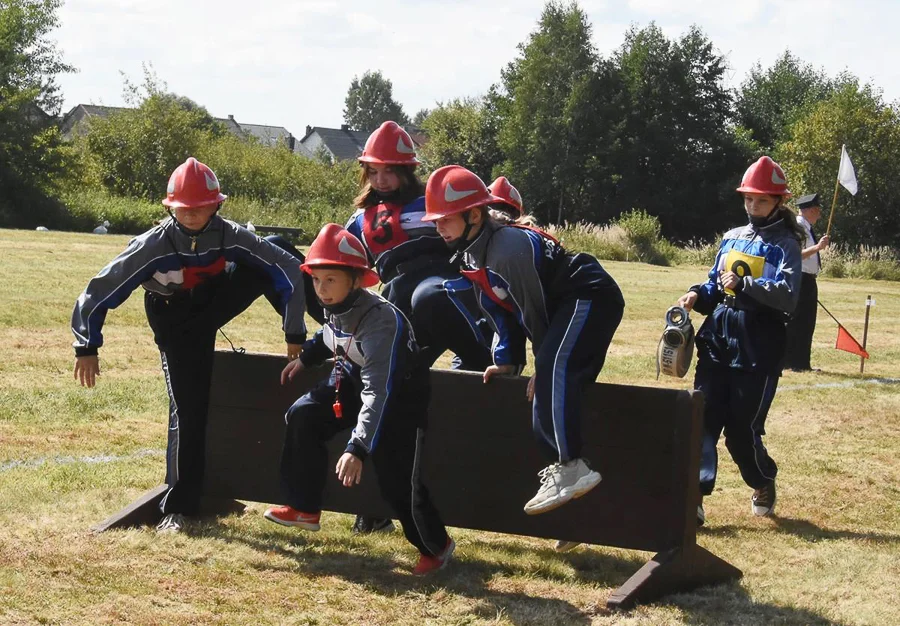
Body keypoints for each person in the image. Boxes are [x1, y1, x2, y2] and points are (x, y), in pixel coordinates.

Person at [72, 157, 313, 534]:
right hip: (174, 320)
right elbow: (100, 289)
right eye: (184, 209)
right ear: (171, 208)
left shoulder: (229, 233)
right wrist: (87, 345)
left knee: (279, 248)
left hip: (211, 301)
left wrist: (295, 334)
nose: (193, 214)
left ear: (217, 204)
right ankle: (179, 507)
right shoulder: (151, 245)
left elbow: (286, 268)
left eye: (201, 207)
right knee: (189, 408)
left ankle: (340, 328)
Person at [421, 165, 625, 518]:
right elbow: (499, 310)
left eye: (445, 217)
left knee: (556, 371)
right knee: (568, 389)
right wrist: (508, 359)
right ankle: (581, 512)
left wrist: (543, 365)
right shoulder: (472, 253)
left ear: (474, 214)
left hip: (588, 294)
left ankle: (570, 468)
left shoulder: (507, 248)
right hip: (567, 303)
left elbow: (535, 310)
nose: (437, 225)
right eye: (435, 219)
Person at [264, 224, 454, 575]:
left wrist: (358, 448)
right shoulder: (336, 304)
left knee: (397, 480)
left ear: (355, 280)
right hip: (354, 380)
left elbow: (379, 391)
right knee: (303, 414)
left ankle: (436, 547)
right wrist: (305, 357)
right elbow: (330, 333)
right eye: (316, 280)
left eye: (330, 280)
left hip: (399, 399)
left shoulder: (380, 323)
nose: (321, 290)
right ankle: (304, 507)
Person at [345, 121, 492, 534]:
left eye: (389, 170)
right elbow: (344, 261)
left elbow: (480, 226)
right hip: (398, 306)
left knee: (425, 295)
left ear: (407, 170)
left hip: (445, 293)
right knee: (385, 390)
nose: (381, 179)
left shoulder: (431, 201)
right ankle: (379, 503)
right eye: (374, 171)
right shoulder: (360, 218)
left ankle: (482, 357)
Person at [675, 156, 803, 524]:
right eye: (748, 199)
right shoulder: (732, 237)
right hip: (718, 338)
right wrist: (697, 295)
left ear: (778, 202)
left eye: (761, 200)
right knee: (702, 421)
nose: (753, 206)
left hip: (759, 343)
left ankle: (762, 480)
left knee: (741, 432)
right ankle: (693, 500)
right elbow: (715, 284)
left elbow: (788, 295)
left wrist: (746, 284)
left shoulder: (787, 244)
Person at [784, 193, 830, 371]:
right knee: (800, 322)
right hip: (800, 278)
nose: (819, 215)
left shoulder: (806, 227)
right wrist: (817, 247)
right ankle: (796, 363)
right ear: (810, 210)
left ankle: (797, 362)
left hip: (807, 279)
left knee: (803, 322)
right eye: (817, 211)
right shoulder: (799, 227)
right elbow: (796, 255)